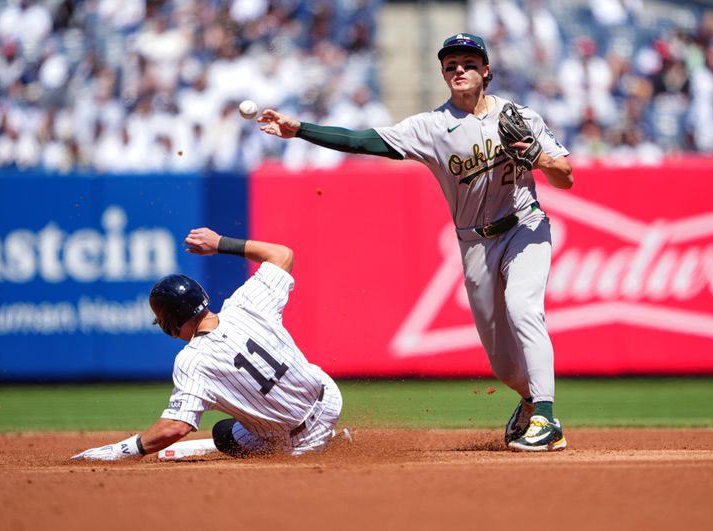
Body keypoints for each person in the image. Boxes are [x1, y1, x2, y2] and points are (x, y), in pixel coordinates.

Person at [258, 33, 573, 452]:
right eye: (451, 64)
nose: (460, 69)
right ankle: (531, 400)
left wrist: (538, 155)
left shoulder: (520, 117)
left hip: (525, 226)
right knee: (501, 363)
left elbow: (565, 177)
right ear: (444, 74)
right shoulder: (430, 127)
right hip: (475, 243)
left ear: (487, 71)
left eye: (469, 62)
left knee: (523, 306)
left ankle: (547, 421)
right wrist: (300, 130)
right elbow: (361, 141)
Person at [70, 228, 344, 461]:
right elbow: (283, 255)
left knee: (223, 434)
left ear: (169, 323)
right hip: (329, 399)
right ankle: (333, 436)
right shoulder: (246, 303)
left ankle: (325, 444)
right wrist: (219, 243)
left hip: (298, 444)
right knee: (244, 421)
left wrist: (120, 450)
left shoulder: (193, 361)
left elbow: (175, 427)